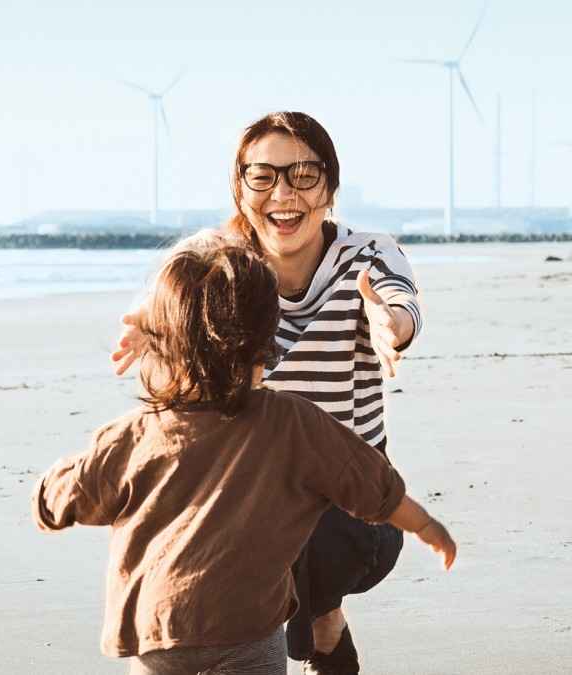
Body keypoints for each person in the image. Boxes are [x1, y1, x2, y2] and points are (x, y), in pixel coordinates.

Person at [35, 237, 456, 675]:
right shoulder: (290, 420)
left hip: (158, 630)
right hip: (249, 631)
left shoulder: (137, 434)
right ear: (262, 344)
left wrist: (46, 500)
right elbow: (369, 481)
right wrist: (424, 525)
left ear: (165, 344)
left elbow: (71, 493)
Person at [111, 111, 425, 674]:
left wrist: (390, 324)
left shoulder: (368, 255)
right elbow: (172, 295)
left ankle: (319, 613)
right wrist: (156, 321)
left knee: (302, 538)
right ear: (240, 187)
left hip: (350, 510)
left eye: (304, 175)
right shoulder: (219, 262)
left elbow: (399, 300)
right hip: (245, 489)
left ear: (329, 187)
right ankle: (319, 632)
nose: (284, 193)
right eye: (264, 176)